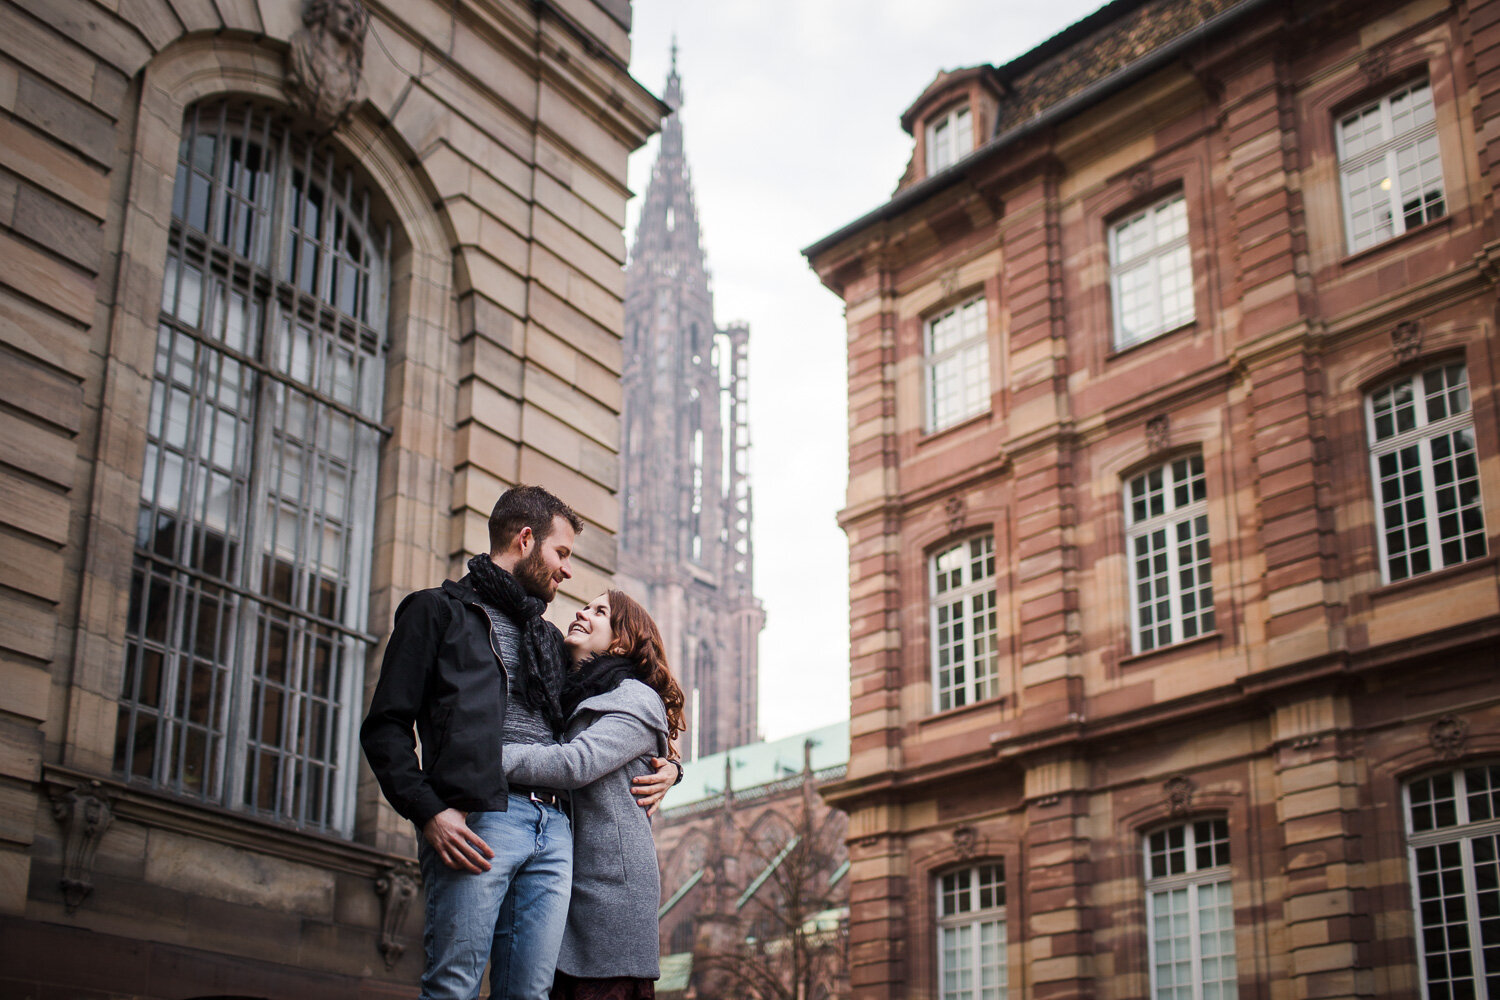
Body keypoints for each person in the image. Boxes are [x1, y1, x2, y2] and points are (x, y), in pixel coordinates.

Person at [359, 485, 677, 1000]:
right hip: (481, 820)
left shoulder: (548, 638)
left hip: (555, 831)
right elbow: (384, 727)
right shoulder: (436, 612)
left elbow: (622, 700)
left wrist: (670, 766)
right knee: (453, 986)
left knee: (528, 995)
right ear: (526, 540)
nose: (567, 571)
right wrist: (429, 811)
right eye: (562, 553)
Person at [502, 590, 686, 1000]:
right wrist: (676, 770)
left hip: (609, 896)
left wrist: (488, 758)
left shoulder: (635, 697)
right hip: (570, 883)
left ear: (621, 641)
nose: (582, 612)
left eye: (599, 611)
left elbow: (576, 764)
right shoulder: (577, 694)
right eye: (585, 605)